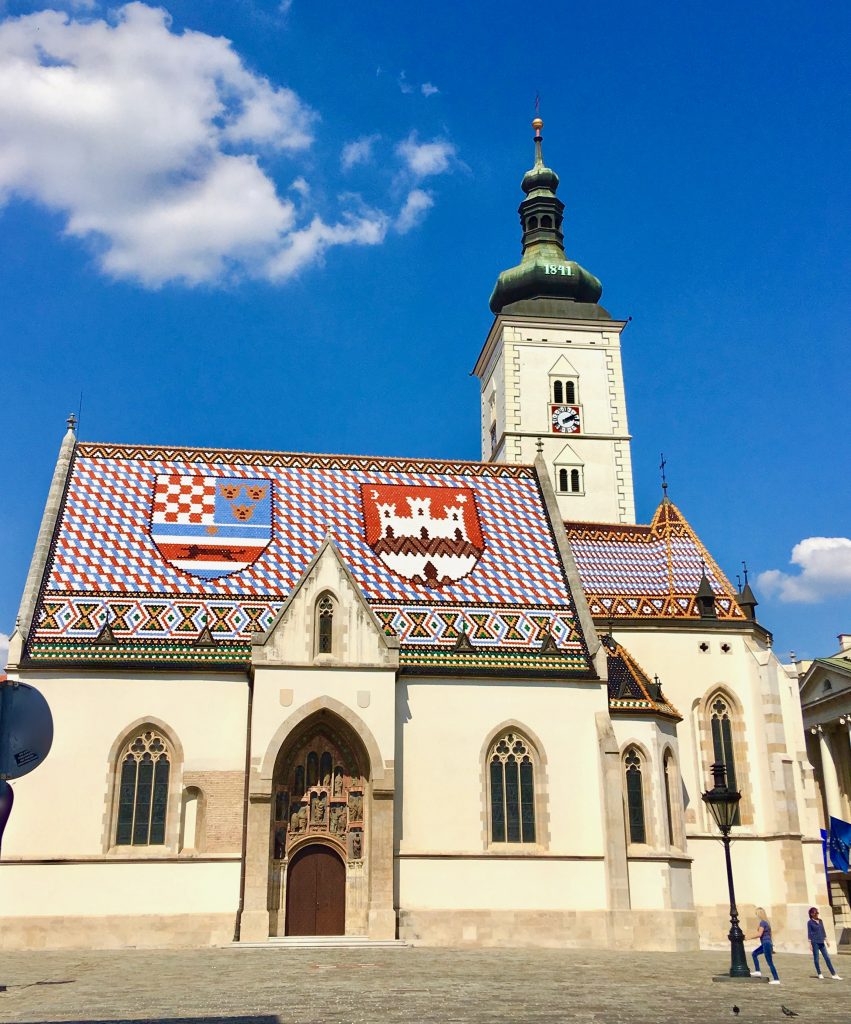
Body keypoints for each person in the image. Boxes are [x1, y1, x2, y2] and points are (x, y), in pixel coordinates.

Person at [807, 907, 842, 980]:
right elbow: (809, 933)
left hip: (821, 942)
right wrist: (810, 944)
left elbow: (823, 931)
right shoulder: (809, 922)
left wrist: (827, 940)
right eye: (815, 913)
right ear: (811, 914)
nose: (817, 914)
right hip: (815, 942)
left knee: (827, 958)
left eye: (817, 913)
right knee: (816, 959)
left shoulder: (820, 921)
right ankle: (819, 973)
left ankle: (834, 974)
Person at [750, 907, 780, 984]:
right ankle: (758, 971)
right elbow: (769, 935)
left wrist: (749, 937)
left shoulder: (763, 923)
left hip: (766, 944)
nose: (756, 916)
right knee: (754, 954)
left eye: (756, 914)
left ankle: (776, 979)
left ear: (759, 914)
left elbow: (759, 934)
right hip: (766, 943)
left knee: (770, 962)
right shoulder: (766, 923)